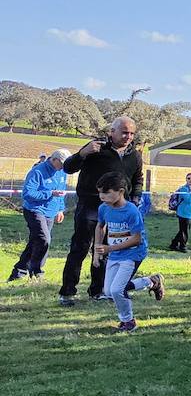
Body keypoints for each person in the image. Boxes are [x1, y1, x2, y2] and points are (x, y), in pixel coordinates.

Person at [60, 117, 142, 305]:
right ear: (111, 132)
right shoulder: (96, 148)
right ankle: (67, 292)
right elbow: (68, 167)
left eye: (131, 133)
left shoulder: (135, 156)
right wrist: (82, 153)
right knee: (79, 248)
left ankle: (98, 291)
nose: (128, 137)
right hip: (90, 206)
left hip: (117, 211)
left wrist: (135, 199)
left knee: (106, 251)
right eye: (124, 132)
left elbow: (137, 180)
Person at [92, 171, 164, 331]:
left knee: (117, 290)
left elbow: (136, 239)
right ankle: (151, 281)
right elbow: (100, 226)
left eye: (106, 192)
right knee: (109, 291)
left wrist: (110, 248)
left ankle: (128, 321)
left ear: (120, 192)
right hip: (115, 254)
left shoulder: (131, 211)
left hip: (133, 254)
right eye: (100, 193)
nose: (102, 196)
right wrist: (97, 253)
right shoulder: (103, 208)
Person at [9, 149, 69, 282]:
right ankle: (37, 272)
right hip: (35, 210)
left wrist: (60, 209)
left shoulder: (62, 172)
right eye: (62, 164)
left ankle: (18, 272)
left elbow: (61, 191)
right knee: (44, 240)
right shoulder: (37, 171)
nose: (64, 167)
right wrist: (49, 193)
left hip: (51, 212)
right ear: (55, 160)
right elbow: (28, 194)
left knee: (35, 242)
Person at [167, 172, 191, 252]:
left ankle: (173, 244)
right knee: (185, 230)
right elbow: (189, 200)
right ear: (186, 179)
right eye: (188, 178)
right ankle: (183, 247)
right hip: (182, 212)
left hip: (189, 212)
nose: (190, 180)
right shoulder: (183, 189)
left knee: (183, 230)